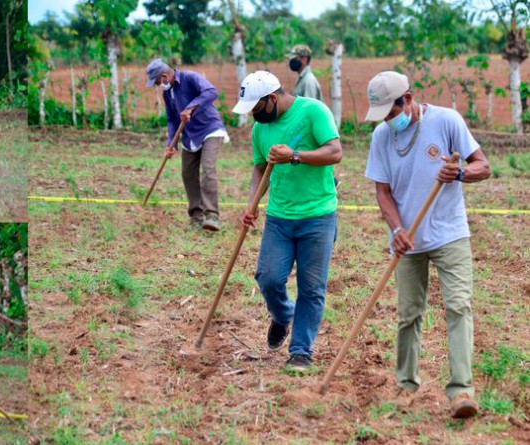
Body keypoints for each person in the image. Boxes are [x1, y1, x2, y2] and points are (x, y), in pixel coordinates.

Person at [363, 71, 491, 419]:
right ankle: (405, 385)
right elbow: (382, 191)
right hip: (407, 240)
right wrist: (397, 228)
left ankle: (461, 390)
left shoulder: (446, 121)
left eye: (392, 113)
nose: (389, 122)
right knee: (408, 315)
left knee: (458, 307)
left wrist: (461, 173)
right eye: (383, 117)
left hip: (450, 233)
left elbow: (483, 165)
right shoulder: (381, 137)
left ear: (408, 99)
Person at [232, 71, 342, 372]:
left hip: (318, 215)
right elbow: (259, 168)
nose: (254, 115)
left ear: (272, 99)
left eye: (256, 108)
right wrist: (252, 202)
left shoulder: (313, 112)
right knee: (267, 277)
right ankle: (283, 315)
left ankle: (300, 351)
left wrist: (295, 155)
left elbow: (335, 152)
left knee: (311, 287)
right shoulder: (260, 129)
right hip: (279, 217)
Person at [144, 59, 229, 231]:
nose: (159, 86)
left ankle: (212, 216)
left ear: (165, 76)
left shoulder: (190, 77)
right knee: (187, 173)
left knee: (208, 169)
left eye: (158, 82)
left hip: (210, 129)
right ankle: (196, 218)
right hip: (190, 136)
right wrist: (171, 144)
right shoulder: (167, 94)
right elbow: (172, 120)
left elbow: (211, 92)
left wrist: (190, 107)